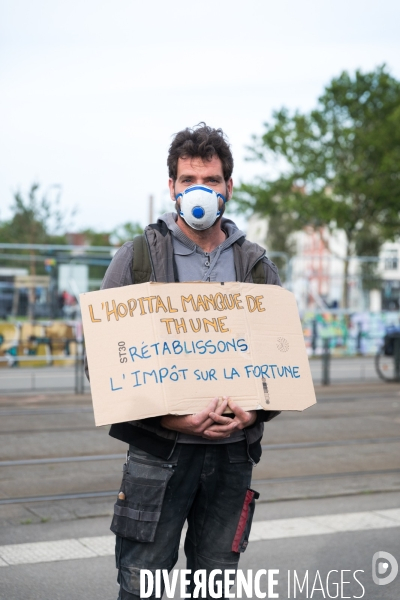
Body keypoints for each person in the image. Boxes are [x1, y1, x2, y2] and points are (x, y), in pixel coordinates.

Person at [98, 123, 281, 599]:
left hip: (231, 457)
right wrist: (173, 418)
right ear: (173, 188)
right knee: (144, 587)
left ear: (228, 188)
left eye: (212, 181)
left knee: (217, 587)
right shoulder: (136, 259)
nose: (200, 191)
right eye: (188, 181)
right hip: (158, 458)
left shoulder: (257, 266)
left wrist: (256, 410)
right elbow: (104, 366)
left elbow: (282, 364)